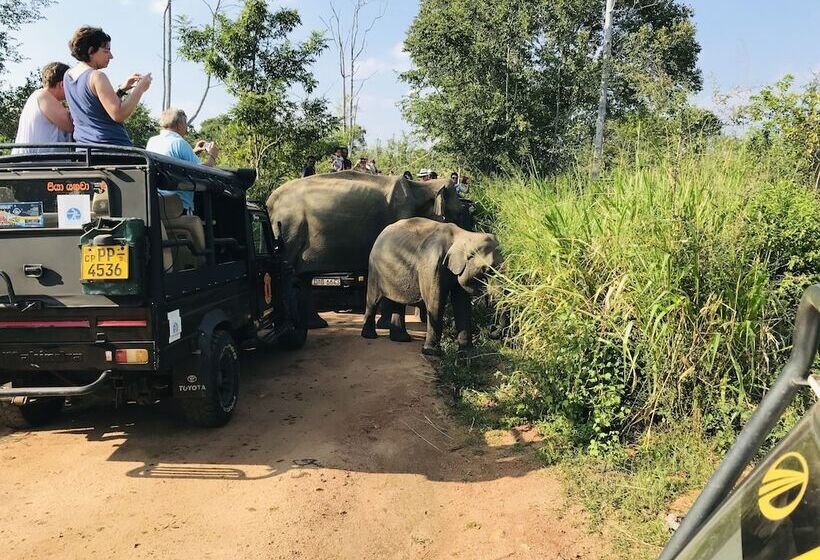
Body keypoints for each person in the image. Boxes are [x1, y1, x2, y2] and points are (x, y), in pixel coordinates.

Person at [64, 26, 152, 146]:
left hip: (84, 149)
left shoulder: (68, 75)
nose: (111, 56)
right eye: (106, 51)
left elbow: (95, 106)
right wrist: (140, 88)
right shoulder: (97, 76)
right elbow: (118, 114)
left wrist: (121, 90)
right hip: (111, 150)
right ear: (91, 51)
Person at [146, 107, 218, 213]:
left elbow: (172, 159)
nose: (186, 127)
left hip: (157, 204)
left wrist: (193, 152)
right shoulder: (179, 143)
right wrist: (212, 156)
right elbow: (202, 172)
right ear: (179, 125)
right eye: (185, 124)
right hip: (179, 206)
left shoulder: (152, 141)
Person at [12, 62, 73, 154]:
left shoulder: (37, 97)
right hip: (37, 164)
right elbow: (71, 124)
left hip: (34, 162)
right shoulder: (44, 96)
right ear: (62, 84)